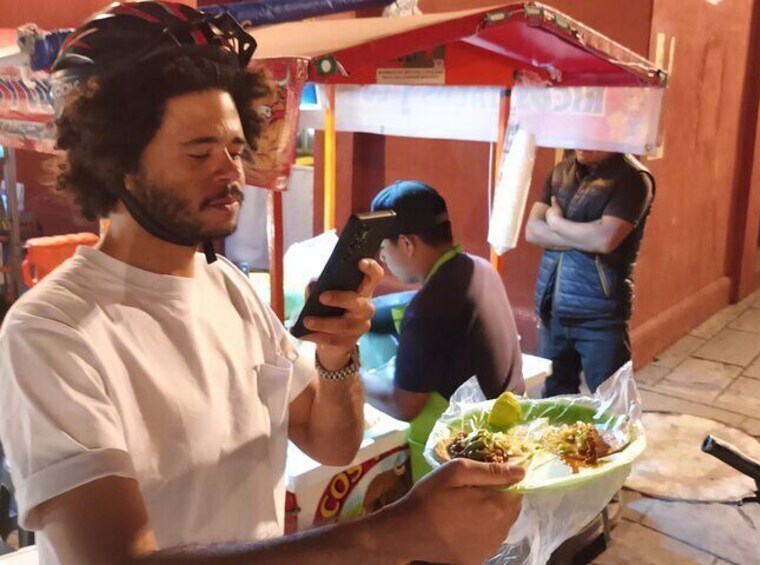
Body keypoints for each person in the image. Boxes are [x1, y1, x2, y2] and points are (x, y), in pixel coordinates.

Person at [0, 3, 523, 563]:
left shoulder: (228, 287)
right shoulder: (51, 333)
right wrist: (392, 533)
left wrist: (338, 352)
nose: (231, 172)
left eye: (234, 149)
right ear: (117, 166)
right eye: (200, 152)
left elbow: (332, 443)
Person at [364, 181, 525, 481]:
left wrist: (351, 379)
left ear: (407, 244)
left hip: (464, 459)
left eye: (384, 250)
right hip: (507, 440)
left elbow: (405, 405)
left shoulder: (429, 307)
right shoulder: (480, 269)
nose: (384, 262)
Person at [525, 149, 655, 396]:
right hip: (551, 307)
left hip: (599, 313)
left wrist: (555, 222)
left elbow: (605, 239)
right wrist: (584, 237)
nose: (581, 143)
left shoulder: (633, 178)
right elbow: (532, 231)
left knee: (612, 403)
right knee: (553, 401)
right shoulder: (561, 171)